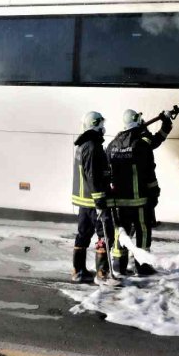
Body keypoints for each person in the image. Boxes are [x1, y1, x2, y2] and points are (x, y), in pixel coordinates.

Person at [106, 108, 173, 276]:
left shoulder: (113, 144)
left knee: (121, 231)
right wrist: (155, 193)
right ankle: (142, 265)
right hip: (139, 201)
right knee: (143, 230)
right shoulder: (141, 144)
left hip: (119, 201)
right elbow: (149, 170)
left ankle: (118, 265)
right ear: (137, 122)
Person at [70, 111, 114, 283]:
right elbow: (93, 176)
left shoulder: (83, 145)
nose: (104, 128)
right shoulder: (92, 146)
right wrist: (100, 201)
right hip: (92, 200)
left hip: (84, 201)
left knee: (83, 234)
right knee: (105, 234)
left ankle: (78, 270)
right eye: (102, 124)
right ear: (96, 125)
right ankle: (102, 273)